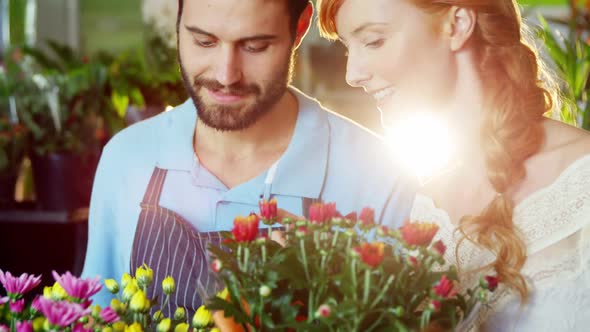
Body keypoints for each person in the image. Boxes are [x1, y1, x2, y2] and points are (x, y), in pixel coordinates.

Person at [81, 0, 416, 317]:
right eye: (204, 41)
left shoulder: (380, 176)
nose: (227, 75)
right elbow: (94, 316)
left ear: (299, 30)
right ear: (178, 23)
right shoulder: (126, 158)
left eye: (255, 46)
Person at [318, 0, 590, 330]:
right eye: (349, 48)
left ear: (458, 24)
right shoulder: (427, 210)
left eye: (374, 41)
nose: (352, 75)